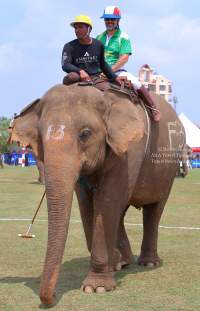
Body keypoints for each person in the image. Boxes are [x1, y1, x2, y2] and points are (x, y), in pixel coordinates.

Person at [96, 6, 162, 122]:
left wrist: (110, 71)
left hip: (117, 70)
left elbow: (124, 58)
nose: (109, 21)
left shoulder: (124, 37)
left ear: (118, 20)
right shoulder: (98, 37)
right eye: (107, 19)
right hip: (99, 71)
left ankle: (153, 109)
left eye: (112, 19)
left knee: (135, 82)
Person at [62, 15, 127, 91]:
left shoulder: (98, 45)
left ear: (90, 29)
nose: (77, 30)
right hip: (77, 77)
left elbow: (103, 64)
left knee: (108, 92)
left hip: (94, 79)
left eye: (80, 27)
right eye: (76, 28)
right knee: (72, 77)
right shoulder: (69, 46)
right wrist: (80, 71)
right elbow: (66, 65)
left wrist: (115, 78)